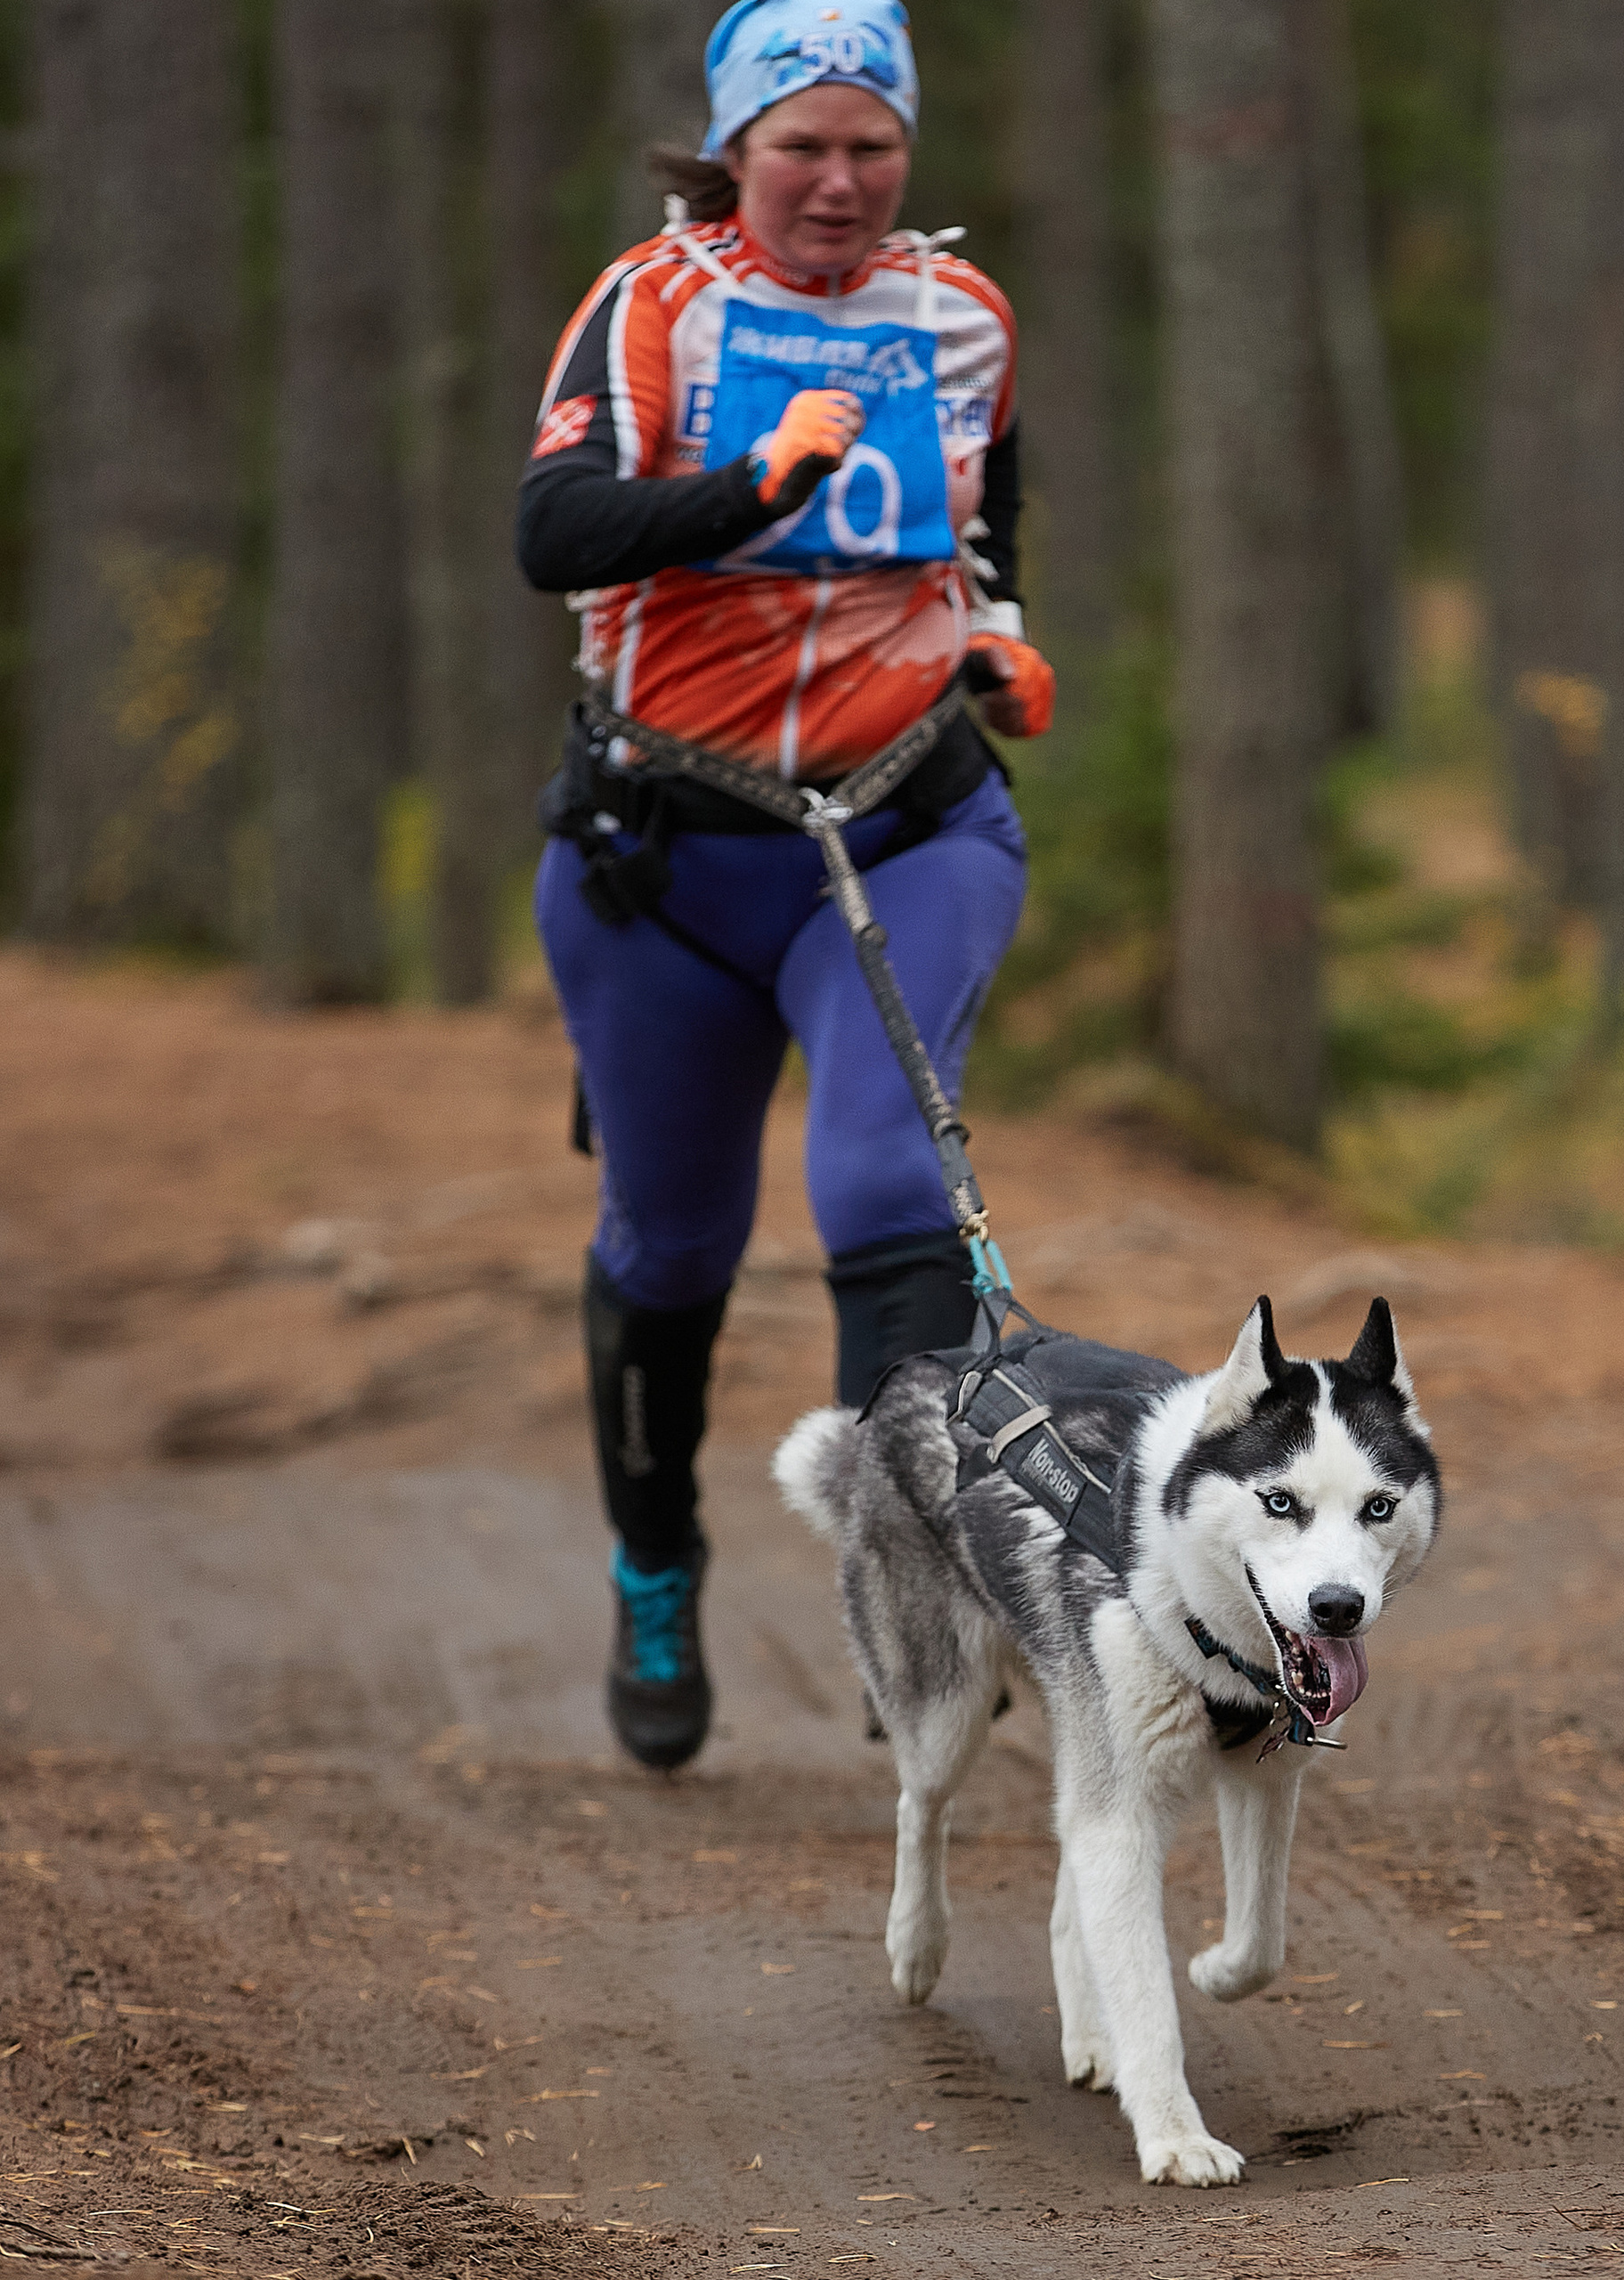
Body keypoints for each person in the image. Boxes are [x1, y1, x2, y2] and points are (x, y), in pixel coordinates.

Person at [518, 0, 1055, 1773]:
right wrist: (751, 481)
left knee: (890, 1172)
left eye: (868, 147)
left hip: (906, 824)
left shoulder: (957, 314)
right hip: (668, 854)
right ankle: (656, 1556)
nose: (835, 181)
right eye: (798, 147)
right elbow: (554, 535)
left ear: (908, 157)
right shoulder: (651, 304)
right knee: (673, 1244)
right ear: (732, 154)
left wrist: (993, 636)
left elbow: (982, 510)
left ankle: (905, 1589)